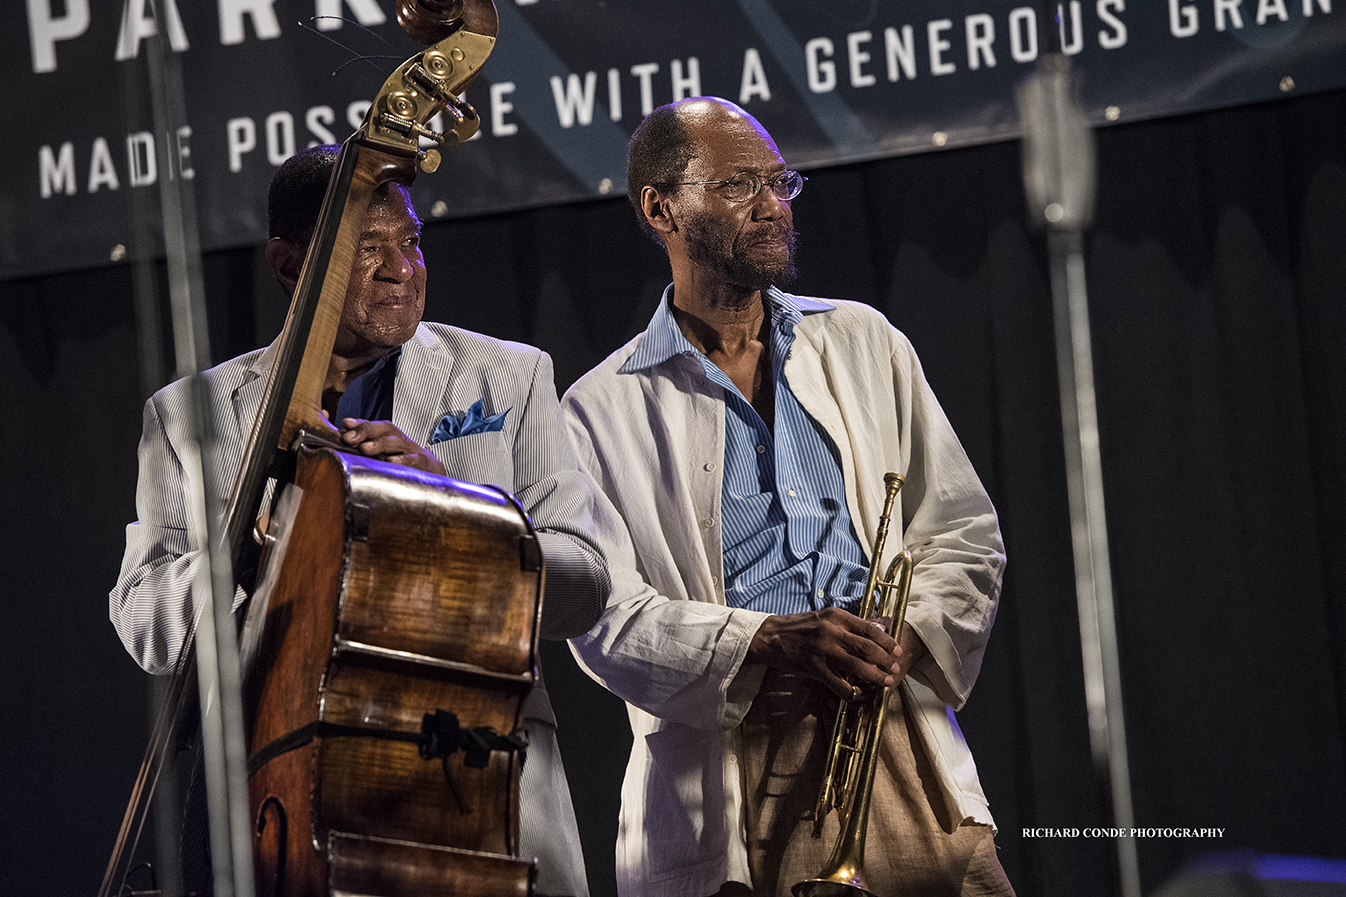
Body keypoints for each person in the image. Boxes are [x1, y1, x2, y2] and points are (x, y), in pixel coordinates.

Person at [110, 144, 602, 897]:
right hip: (287, 794)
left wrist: (451, 505)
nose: (401, 269)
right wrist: (249, 549)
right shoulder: (187, 415)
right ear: (287, 264)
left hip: (478, 783)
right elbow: (145, 620)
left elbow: (584, 584)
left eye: (410, 241)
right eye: (365, 251)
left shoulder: (510, 374)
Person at [561, 97, 1013, 896]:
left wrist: (905, 639)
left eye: (781, 182)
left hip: (896, 733)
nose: (774, 206)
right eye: (740, 185)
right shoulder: (598, 407)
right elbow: (606, 623)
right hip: (738, 758)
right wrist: (768, 639)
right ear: (660, 208)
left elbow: (965, 534)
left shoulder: (864, 339)